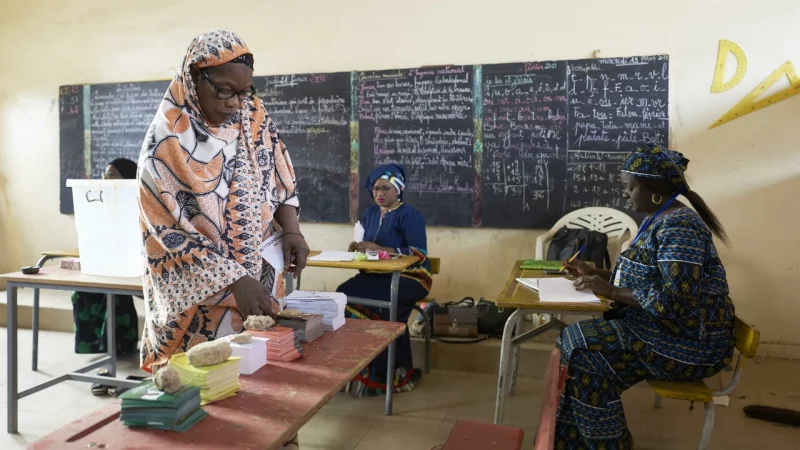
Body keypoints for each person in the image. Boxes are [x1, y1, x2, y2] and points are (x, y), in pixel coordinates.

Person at [555, 145, 735, 449]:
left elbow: (677, 303)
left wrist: (610, 291)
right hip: (662, 329)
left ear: (654, 190)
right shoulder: (658, 218)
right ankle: (580, 442)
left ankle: (607, 443)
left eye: (630, 187)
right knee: (573, 344)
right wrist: (596, 273)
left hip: (690, 343)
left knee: (581, 351)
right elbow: (644, 277)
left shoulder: (681, 228)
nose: (625, 194)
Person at [337, 163, 432, 397]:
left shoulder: (409, 215)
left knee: (374, 304)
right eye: (375, 188)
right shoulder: (369, 214)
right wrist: (357, 248)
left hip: (411, 277)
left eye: (385, 188)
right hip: (376, 276)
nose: (379, 193)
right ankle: (357, 370)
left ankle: (385, 375)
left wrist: (381, 249)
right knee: (342, 294)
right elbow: (365, 245)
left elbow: (418, 253)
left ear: (398, 189)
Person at [72, 158, 140, 396]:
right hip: (107, 266)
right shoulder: (99, 201)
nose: (105, 179)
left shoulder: (139, 202)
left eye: (112, 174)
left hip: (135, 269)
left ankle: (124, 342)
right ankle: (101, 344)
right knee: (83, 291)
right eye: (105, 173)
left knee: (117, 293)